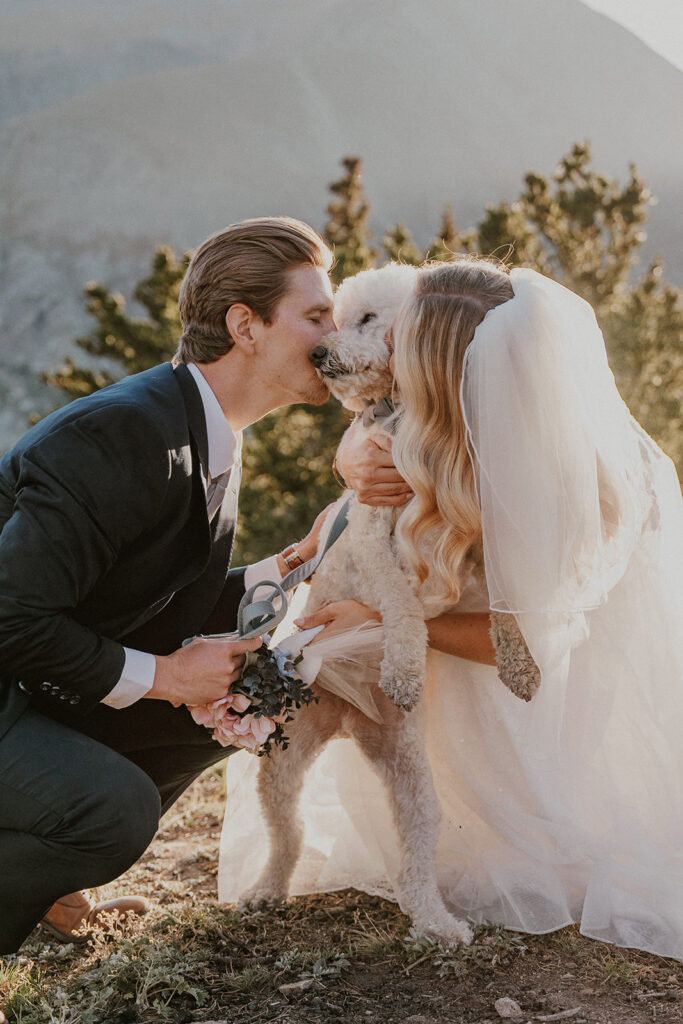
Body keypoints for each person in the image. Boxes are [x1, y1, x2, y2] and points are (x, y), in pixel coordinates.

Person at [219, 258, 683, 961]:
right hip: (425, 658)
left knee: (509, 851)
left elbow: (528, 649)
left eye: (400, 349)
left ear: (444, 373)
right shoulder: (422, 426)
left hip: (520, 685)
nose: (382, 360)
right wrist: (351, 464)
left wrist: (384, 625)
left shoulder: (538, 479)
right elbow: (377, 437)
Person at [0, 216, 337, 953]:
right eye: (317, 316)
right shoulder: (122, 434)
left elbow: (148, 592)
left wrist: (280, 567)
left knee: (246, 694)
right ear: (244, 325)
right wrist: (165, 676)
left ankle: (46, 881)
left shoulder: (206, 425)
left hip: (26, 673)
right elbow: (11, 618)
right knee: (111, 812)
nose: (336, 336)